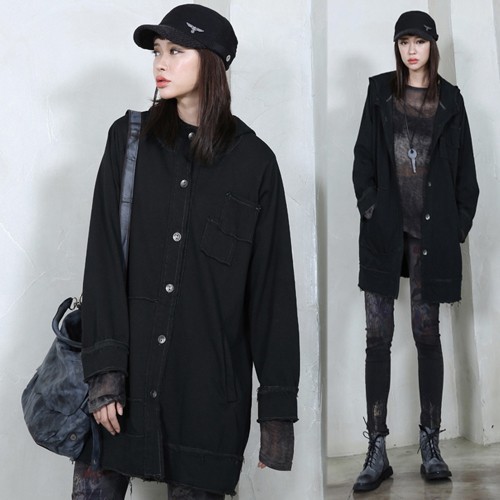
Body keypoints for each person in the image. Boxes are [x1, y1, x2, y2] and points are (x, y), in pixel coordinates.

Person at [72, 4, 300, 499]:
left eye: (176, 50)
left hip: (207, 403)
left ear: (213, 62)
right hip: (121, 394)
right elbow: (103, 260)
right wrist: (105, 372)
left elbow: (272, 294)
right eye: (158, 50)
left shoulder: (256, 164)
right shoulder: (127, 142)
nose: (161, 62)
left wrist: (277, 414)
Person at [352, 10, 479, 492]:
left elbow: (467, 173)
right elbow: (363, 161)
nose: (411, 50)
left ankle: (430, 445)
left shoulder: (451, 100)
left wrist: (456, 226)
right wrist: (371, 208)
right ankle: (377, 449)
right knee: (377, 338)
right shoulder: (379, 93)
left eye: (419, 42)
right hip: (384, 234)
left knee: (428, 336)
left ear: (432, 46)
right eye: (404, 41)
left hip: (432, 238)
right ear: (397, 46)